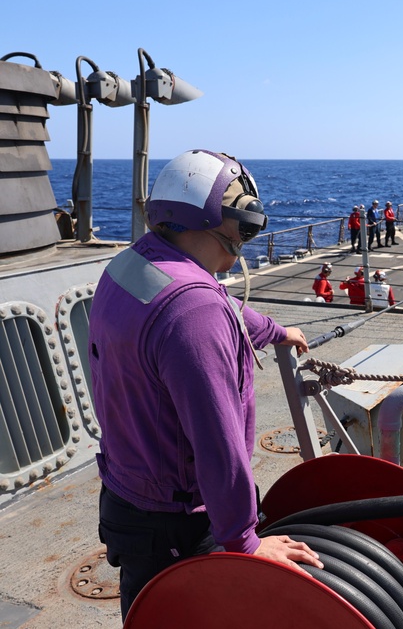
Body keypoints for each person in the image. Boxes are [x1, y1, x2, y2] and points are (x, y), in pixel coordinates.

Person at [89, 149, 322, 621]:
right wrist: (244, 541)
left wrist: (275, 331)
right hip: (175, 525)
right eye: (247, 227)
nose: (246, 242)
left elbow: (217, 308)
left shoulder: (132, 265)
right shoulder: (193, 311)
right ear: (225, 222)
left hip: (127, 500)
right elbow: (218, 441)